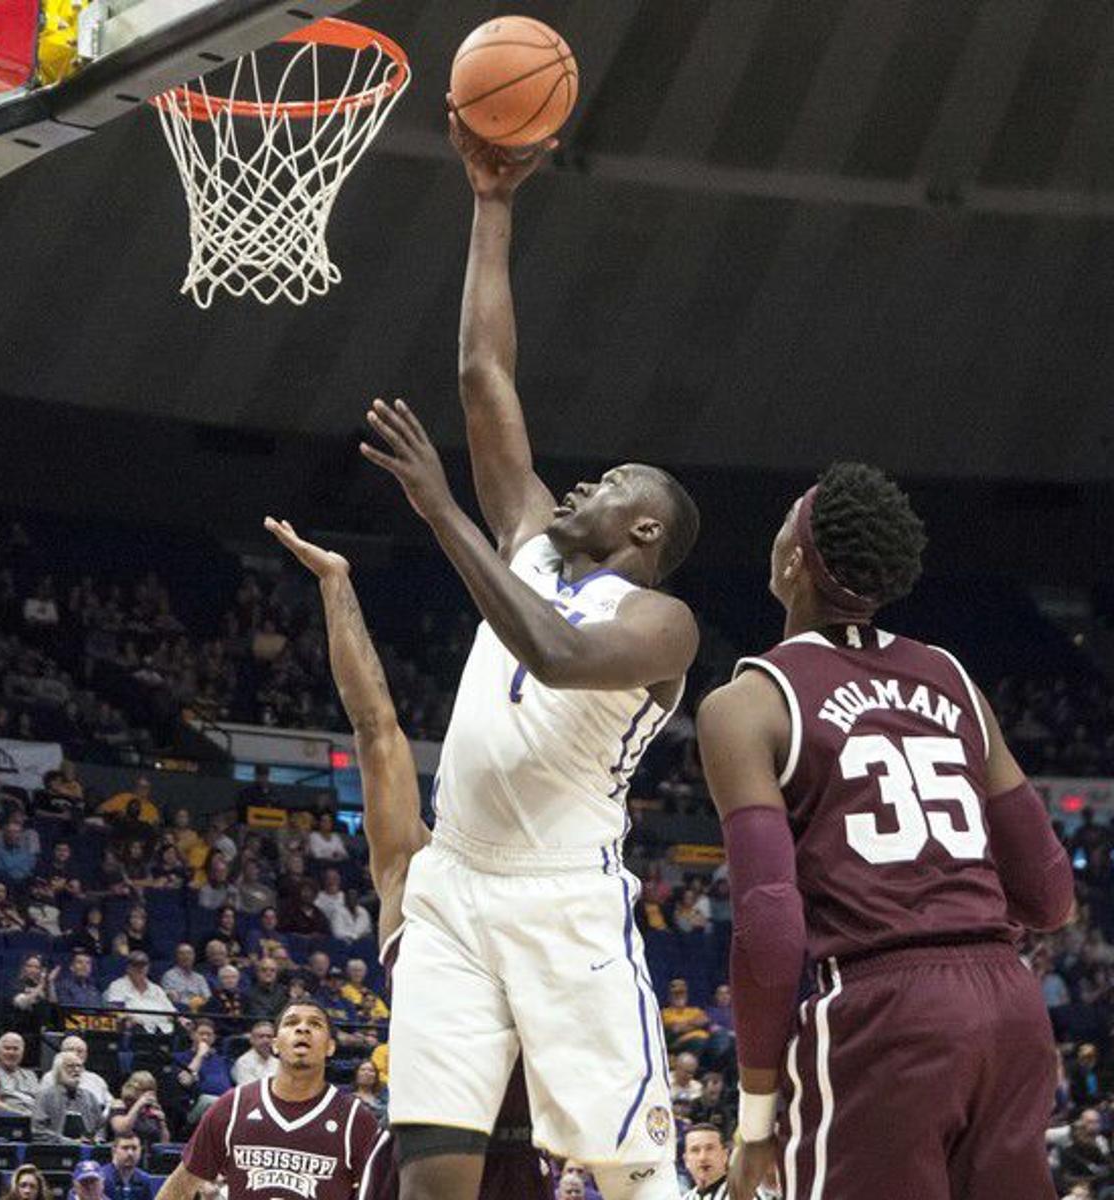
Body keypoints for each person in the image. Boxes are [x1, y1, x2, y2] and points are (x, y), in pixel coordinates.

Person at [349, 105, 702, 1200]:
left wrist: (442, 512)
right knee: (433, 1178)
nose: (587, 483)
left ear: (646, 529)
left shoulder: (661, 625)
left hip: (564, 902)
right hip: (453, 881)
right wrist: (490, 203)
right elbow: (483, 375)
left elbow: (550, 652)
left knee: (632, 1175)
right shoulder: (532, 541)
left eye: (615, 484)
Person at [696, 463, 1076, 1200]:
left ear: (794, 561)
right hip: (1011, 1007)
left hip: (883, 1015)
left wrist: (755, 1120)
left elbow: (769, 927)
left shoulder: (748, 703)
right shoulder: (952, 678)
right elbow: (1051, 896)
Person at [264, 517, 551, 1200]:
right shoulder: (414, 867)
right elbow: (375, 727)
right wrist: (336, 583)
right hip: (424, 1147)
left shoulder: (549, 873)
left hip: (517, 1154)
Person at [151, 1001, 380, 1200]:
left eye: (315, 1024)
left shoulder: (356, 1120)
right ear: (275, 1044)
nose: (302, 1028)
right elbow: (180, 1186)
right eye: (291, 1023)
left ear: (330, 1047)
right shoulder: (233, 1106)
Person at [32, 1051, 105, 1143]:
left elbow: (100, 1127)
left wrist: (97, 1139)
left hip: (87, 1148)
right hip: (55, 1148)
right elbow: (38, 1131)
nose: (76, 1070)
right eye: (70, 1066)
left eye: (79, 1066)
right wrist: (70, 1142)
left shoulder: (90, 1097)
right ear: (58, 1071)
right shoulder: (45, 1096)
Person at [173, 1020, 232, 1126]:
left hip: (224, 1104)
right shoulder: (180, 1057)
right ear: (192, 1035)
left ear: (214, 1038)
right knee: (210, 1101)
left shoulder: (222, 1060)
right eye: (201, 1034)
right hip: (195, 1107)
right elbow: (186, 1081)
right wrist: (199, 1055)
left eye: (209, 1035)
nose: (205, 1038)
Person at [103, 952, 175, 1034]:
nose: (140, 969)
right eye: (135, 965)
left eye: (143, 965)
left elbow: (172, 1013)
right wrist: (126, 1019)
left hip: (164, 1031)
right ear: (128, 968)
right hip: (135, 1031)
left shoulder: (156, 989)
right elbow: (115, 1010)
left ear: (148, 968)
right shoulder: (118, 986)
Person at [38, 1037, 112, 1114]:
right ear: (61, 1053)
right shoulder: (50, 1077)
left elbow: (110, 1104)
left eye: (80, 1051)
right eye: (70, 1050)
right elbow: (42, 1107)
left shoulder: (96, 1079)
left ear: (86, 1055)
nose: (75, 1053)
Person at [107, 1073, 169, 1149]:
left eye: (151, 1090)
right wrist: (139, 1104)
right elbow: (122, 1130)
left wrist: (162, 1122)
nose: (149, 1094)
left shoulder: (151, 1109)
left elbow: (164, 1143)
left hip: (148, 1152)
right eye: (144, 1090)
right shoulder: (120, 1105)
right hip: (125, 1149)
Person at [0, 1032, 39, 1115]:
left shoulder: (30, 1074)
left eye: (16, 1049)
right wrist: (20, 1114)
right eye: (7, 1048)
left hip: (35, 1117)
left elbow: (40, 1102)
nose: (11, 1052)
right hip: (10, 1118)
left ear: (22, 1052)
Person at [681, 1124, 730, 1200]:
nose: (702, 1157)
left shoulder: (743, 1194)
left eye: (710, 1149)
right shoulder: (685, 1198)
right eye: (695, 1150)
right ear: (686, 1160)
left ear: (725, 1155)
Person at [101, 1134, 152, 1200]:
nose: (130, 1153)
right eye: (125, 1148)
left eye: (134, 1148)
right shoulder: (102, 1177)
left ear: (140, 1151)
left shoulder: (144, 1179)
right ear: (114, 1151)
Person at [161, 944, 211, 1012]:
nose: (186, 956)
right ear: (176, 957)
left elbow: (207, 998)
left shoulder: (200, 978)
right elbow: (170, 999)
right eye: (182, 954)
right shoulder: (169, 976)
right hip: (180, 1011)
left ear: (194, 957)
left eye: (189, 953)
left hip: (199, 1011)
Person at [232, 1021, 277, 1086]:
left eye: (269, 1037)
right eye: (261, 1036)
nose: (266, 1040)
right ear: (252, 1040)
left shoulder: (278, 1063)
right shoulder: (243, 1063)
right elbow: (250, 1090)